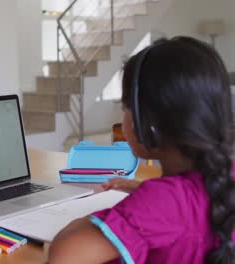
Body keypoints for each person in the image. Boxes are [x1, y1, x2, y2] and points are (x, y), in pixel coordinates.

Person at [49, 36, 235, 263]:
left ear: (148, 122)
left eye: (125, 106)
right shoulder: (224, 178)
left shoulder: (162, 202)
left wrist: (118, 214)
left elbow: (64, 257)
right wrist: (143, 193)